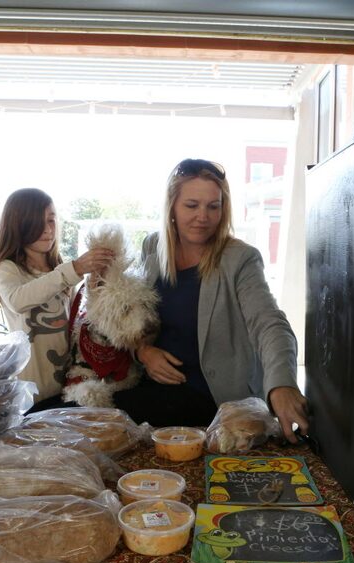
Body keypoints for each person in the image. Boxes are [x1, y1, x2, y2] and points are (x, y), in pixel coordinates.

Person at [114, 158, 309, 442]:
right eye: (191, 206)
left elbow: (270, 324)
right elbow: (135, 317)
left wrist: (281, 385)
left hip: (210, 397)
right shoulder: (152, 247)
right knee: (65, 410)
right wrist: (143, 352)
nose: (202, 217)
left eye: (213, 206)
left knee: (104, 413)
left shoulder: (240, 258)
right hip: (152, 386)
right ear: (171, 207)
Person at [0, 188, 112, 411]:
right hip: (30, 388)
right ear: (18, 225)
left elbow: (74, 322)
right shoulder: (9, 269)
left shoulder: (60, 269)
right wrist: (74, 269)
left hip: (67, 382)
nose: (48, 230)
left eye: (52, 220)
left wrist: (94, 284)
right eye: (37, 222)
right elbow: (18, 300)